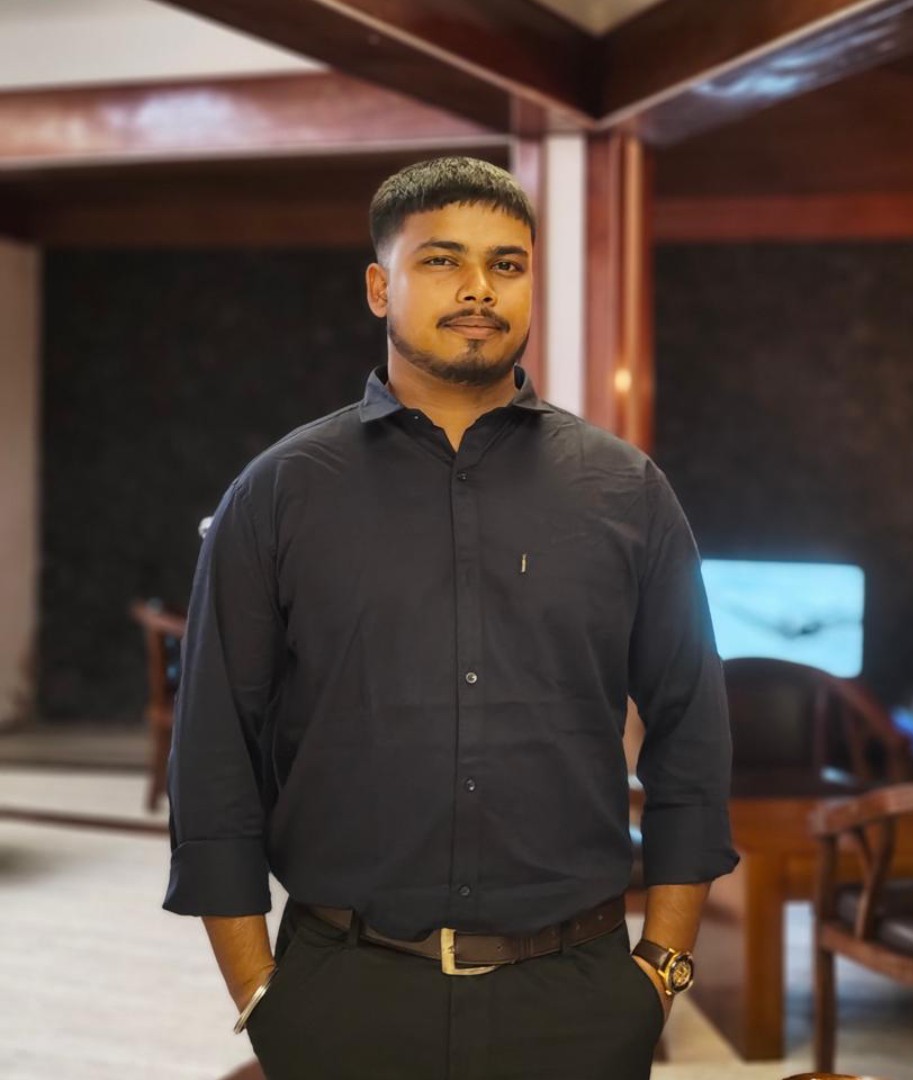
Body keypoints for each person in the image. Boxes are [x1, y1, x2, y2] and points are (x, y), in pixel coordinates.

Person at [163, 156, 737, 1079]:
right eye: (442, 261)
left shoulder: (626, 490)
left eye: (507, 264)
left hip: (578, 997)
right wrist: (260, 990)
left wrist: (663, 966)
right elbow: (213, 748)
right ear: (379, 287)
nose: (479, 288)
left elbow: (692, 730)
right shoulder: (278, 494)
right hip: (344, 993)